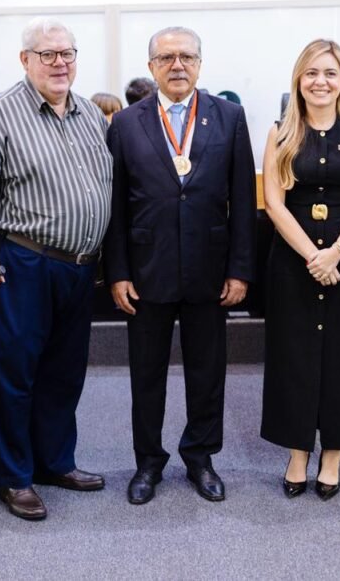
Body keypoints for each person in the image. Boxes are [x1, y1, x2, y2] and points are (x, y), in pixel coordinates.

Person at [0, 17, 112, 521]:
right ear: (25, 60)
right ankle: (14, 477)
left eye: (68, 53)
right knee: (14, 375)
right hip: (22, 262)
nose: (60, 63)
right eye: (48, 54)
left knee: (64, 374)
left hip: (79, 267)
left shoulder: (88, 113)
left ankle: (55, 462)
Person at [104, 26, 256, 505]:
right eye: (166, 58)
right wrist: (118, 271)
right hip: (146, 271)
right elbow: (115, 206)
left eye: (187, 56)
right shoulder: (127, 123)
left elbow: (244, 199)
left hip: (211, 272)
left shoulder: (228, 117)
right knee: (145, 374)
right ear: (151, 67)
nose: (177, 65)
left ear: (199, 64)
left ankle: (200, 457)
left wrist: (240, 269)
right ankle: (148, 461)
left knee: (207, 372)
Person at [259, 40, 340, 501]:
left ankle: (333, 456)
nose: (320, 81)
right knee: (294, 355)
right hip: (293, 260)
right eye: (311, 73)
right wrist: (313, 255)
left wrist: (337, 252)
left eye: (330, 73)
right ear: (298, 80)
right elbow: (273, 201)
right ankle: (297, 453)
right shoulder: (279, 132)